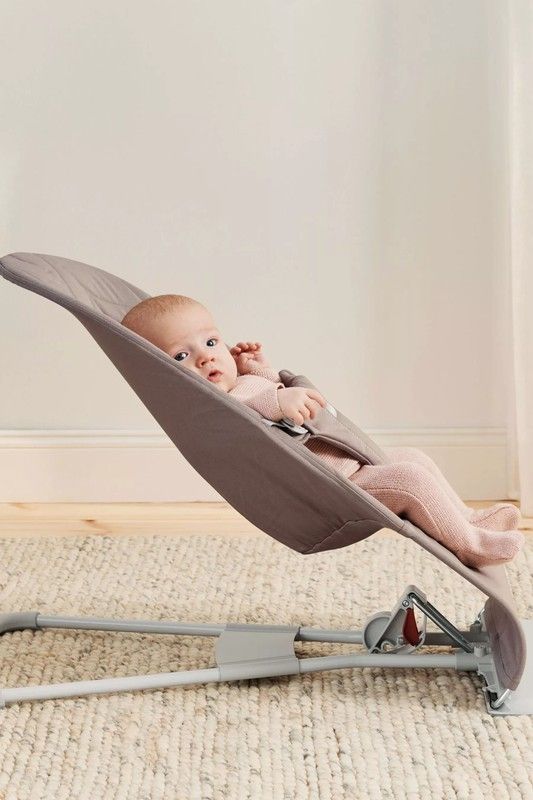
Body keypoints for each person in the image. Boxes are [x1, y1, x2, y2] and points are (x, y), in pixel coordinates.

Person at [121, 293, 524, 569]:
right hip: (332, 492)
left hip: (350, 466)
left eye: (211, 341)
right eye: (182, 355)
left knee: (414, 458)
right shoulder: (218, 406)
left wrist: (259, 368)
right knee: (409, 481)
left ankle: (470, 520)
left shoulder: (238, 384)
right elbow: (251, 415)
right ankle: (472, 547)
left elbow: (262, 394)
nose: (206, 357)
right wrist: (280, 401)